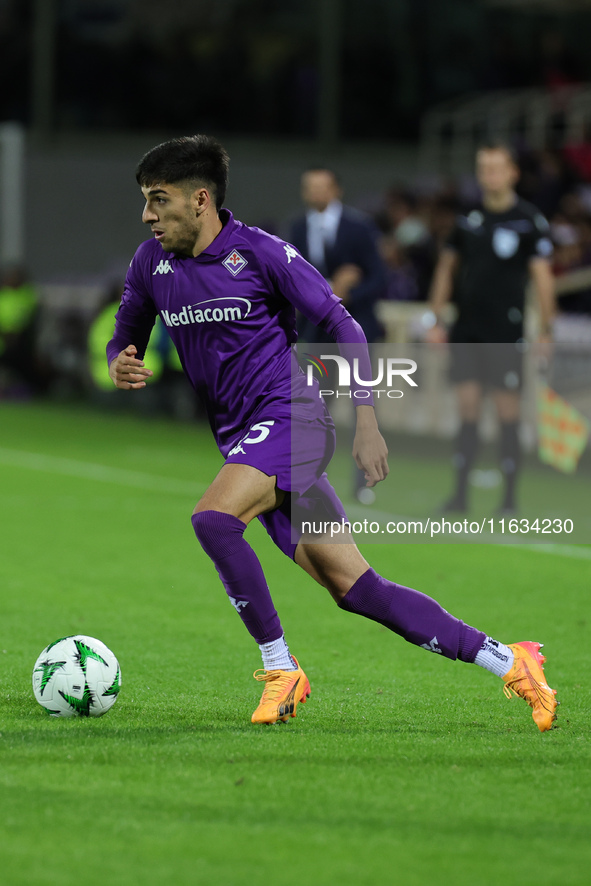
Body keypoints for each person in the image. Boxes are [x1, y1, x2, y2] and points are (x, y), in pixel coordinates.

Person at [106, 135, 557, 732]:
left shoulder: (263, 254)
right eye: (145, 202)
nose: (147, 216)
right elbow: (126, 332)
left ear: (200, 200)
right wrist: (119, 360)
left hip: (295, 418)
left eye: (157, 200)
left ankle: (280, 668)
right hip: (245, 436)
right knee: (357, 589)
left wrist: (366, 420)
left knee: (213, 520)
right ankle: (510, 660)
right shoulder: (151, 263)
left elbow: (344, 325)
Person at [427, 143, 556, 514]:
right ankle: (460, 495)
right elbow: (446, 269)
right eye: (484, 168)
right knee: (467, 411)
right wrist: (436, 320)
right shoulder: (468, 219)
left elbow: (542, 278)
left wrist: (546, 329)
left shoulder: (529, 219)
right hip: (466, 329)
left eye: (497, 168)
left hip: (506, 330)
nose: (489, 175)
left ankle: (510, 499)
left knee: (507, 414)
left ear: (513, 173)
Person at [289, 167, 385, 344]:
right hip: (312, 327)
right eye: (310, 187)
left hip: (354, 321)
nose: (315, 192)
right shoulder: (298, 228)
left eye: (321, 186)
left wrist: (348, 295)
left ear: (336, 190)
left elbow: (378, 276)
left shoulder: (359, 226)